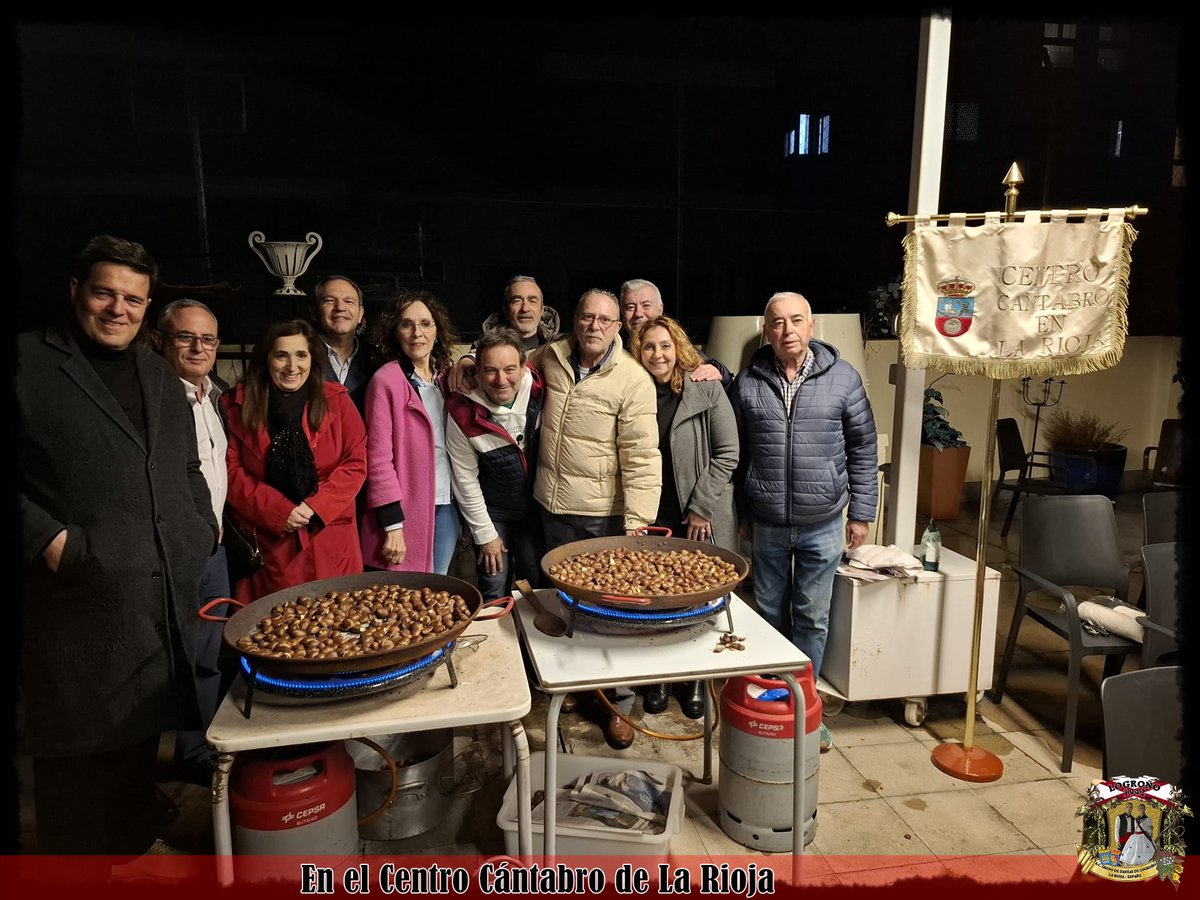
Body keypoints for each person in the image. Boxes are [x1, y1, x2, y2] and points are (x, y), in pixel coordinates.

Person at [17, 235, 218, 856]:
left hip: (152, 599)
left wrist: (199, 528)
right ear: (76, 292)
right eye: (104, 292)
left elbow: (185, 464)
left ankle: (132, 849)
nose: (117, 309)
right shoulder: (27, 364)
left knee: (136, 739)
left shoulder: (157, 374)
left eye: (132, 298)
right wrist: (49, 540)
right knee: (78, 760)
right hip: (75, 604)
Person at [729, 291, 878, 752]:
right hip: (768, 519)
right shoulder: (748, 382)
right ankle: (774, 702)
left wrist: (863, 513)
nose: (787, 330)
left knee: (812, 617)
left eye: (796, 321)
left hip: (824, 520)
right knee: (771, 615)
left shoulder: (844, 379)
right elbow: (737, 454)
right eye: (777, 322)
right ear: (766, 330)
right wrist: (744, 512)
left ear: (811, 327)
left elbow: (863, 448)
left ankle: (806, 707)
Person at [533, 288, 660, 748]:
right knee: (565, 606)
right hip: (551, 505)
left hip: (601, 515)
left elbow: (643, 456)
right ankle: (577, 687)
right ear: (574, 319)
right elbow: (507, 364)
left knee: (613, 613)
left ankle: (619, 705)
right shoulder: (550, 356)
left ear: (617, 327)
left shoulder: (632, 379)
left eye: (605, 320)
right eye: (587, 317)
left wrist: (638, 520)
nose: (594, 326)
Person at [632, 315, 739, 720]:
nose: (657, 354)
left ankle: (694, 680)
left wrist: (700, 507)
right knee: (655, 599)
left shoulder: (705, 387)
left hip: (697, 513)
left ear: (678, 348)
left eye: (665, 345)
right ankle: (658, 678)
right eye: (648, 347)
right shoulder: (634, 391)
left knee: (698, 599)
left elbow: (728, 452)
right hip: (652, 513)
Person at [222, 318, 367, 601]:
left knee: (340, 631)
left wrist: (315, 506)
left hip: (330, 540)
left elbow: (356, 461)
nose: (292, 366)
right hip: (269, 546)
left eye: (301, 355)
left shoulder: (336, 400)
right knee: (276, 634)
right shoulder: (235, 405)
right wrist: (279, 512)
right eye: (281, 355)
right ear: (266, 359)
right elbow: (230, 471)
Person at [150, 297, 230, 780]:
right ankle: (187, 753)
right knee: (177, 657)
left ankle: (199, 748)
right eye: (186, 337)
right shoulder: (157, 400)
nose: (198, 347)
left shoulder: (212, 395)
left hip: (214, 547)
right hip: (178, 550)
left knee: (205, 654)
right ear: (161, 341)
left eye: (207, 338)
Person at [360, 291, 462, 575]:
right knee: (401, 601)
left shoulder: (447, 378)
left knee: (434, 594)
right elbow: (378, 460)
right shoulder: (386, 380)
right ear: (395, 332)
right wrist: (392, 525)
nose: (417, 333)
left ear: (437, 330)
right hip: (406, 513)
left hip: (447, 507)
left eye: (426, 324)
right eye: (407, 324)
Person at [445, 328, 547, 599]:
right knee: (493, 583)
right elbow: (464, 479)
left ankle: (531, 641)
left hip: (536, 508)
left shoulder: (540, 389)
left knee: (536, 583)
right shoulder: (462, 411)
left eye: (509, 369)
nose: (501, 380)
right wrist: (485, 535)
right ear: (477, 371)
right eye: (490, 371)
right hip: (493, 511)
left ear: (524, 368)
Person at [619, 278, 731, 387]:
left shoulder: (681, 350)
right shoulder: (615, 354)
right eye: (630, 307)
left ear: (660, 309)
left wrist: (720, 371)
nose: (638, 313)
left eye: (646, 305)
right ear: (622, 314)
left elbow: (724, 387)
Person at [312, 273, 376, 414]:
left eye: (349, 301)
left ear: (360, 314)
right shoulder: (301, 356)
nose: (340, 307)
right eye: (329, 301)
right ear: (314, 312)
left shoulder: (377, 360)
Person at [481, 274, 561, 351]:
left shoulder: (559, 346)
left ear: (542, 311)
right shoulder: (486, 346)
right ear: (506, 311)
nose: (525, 309)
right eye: (516, 301)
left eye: (532, 301)